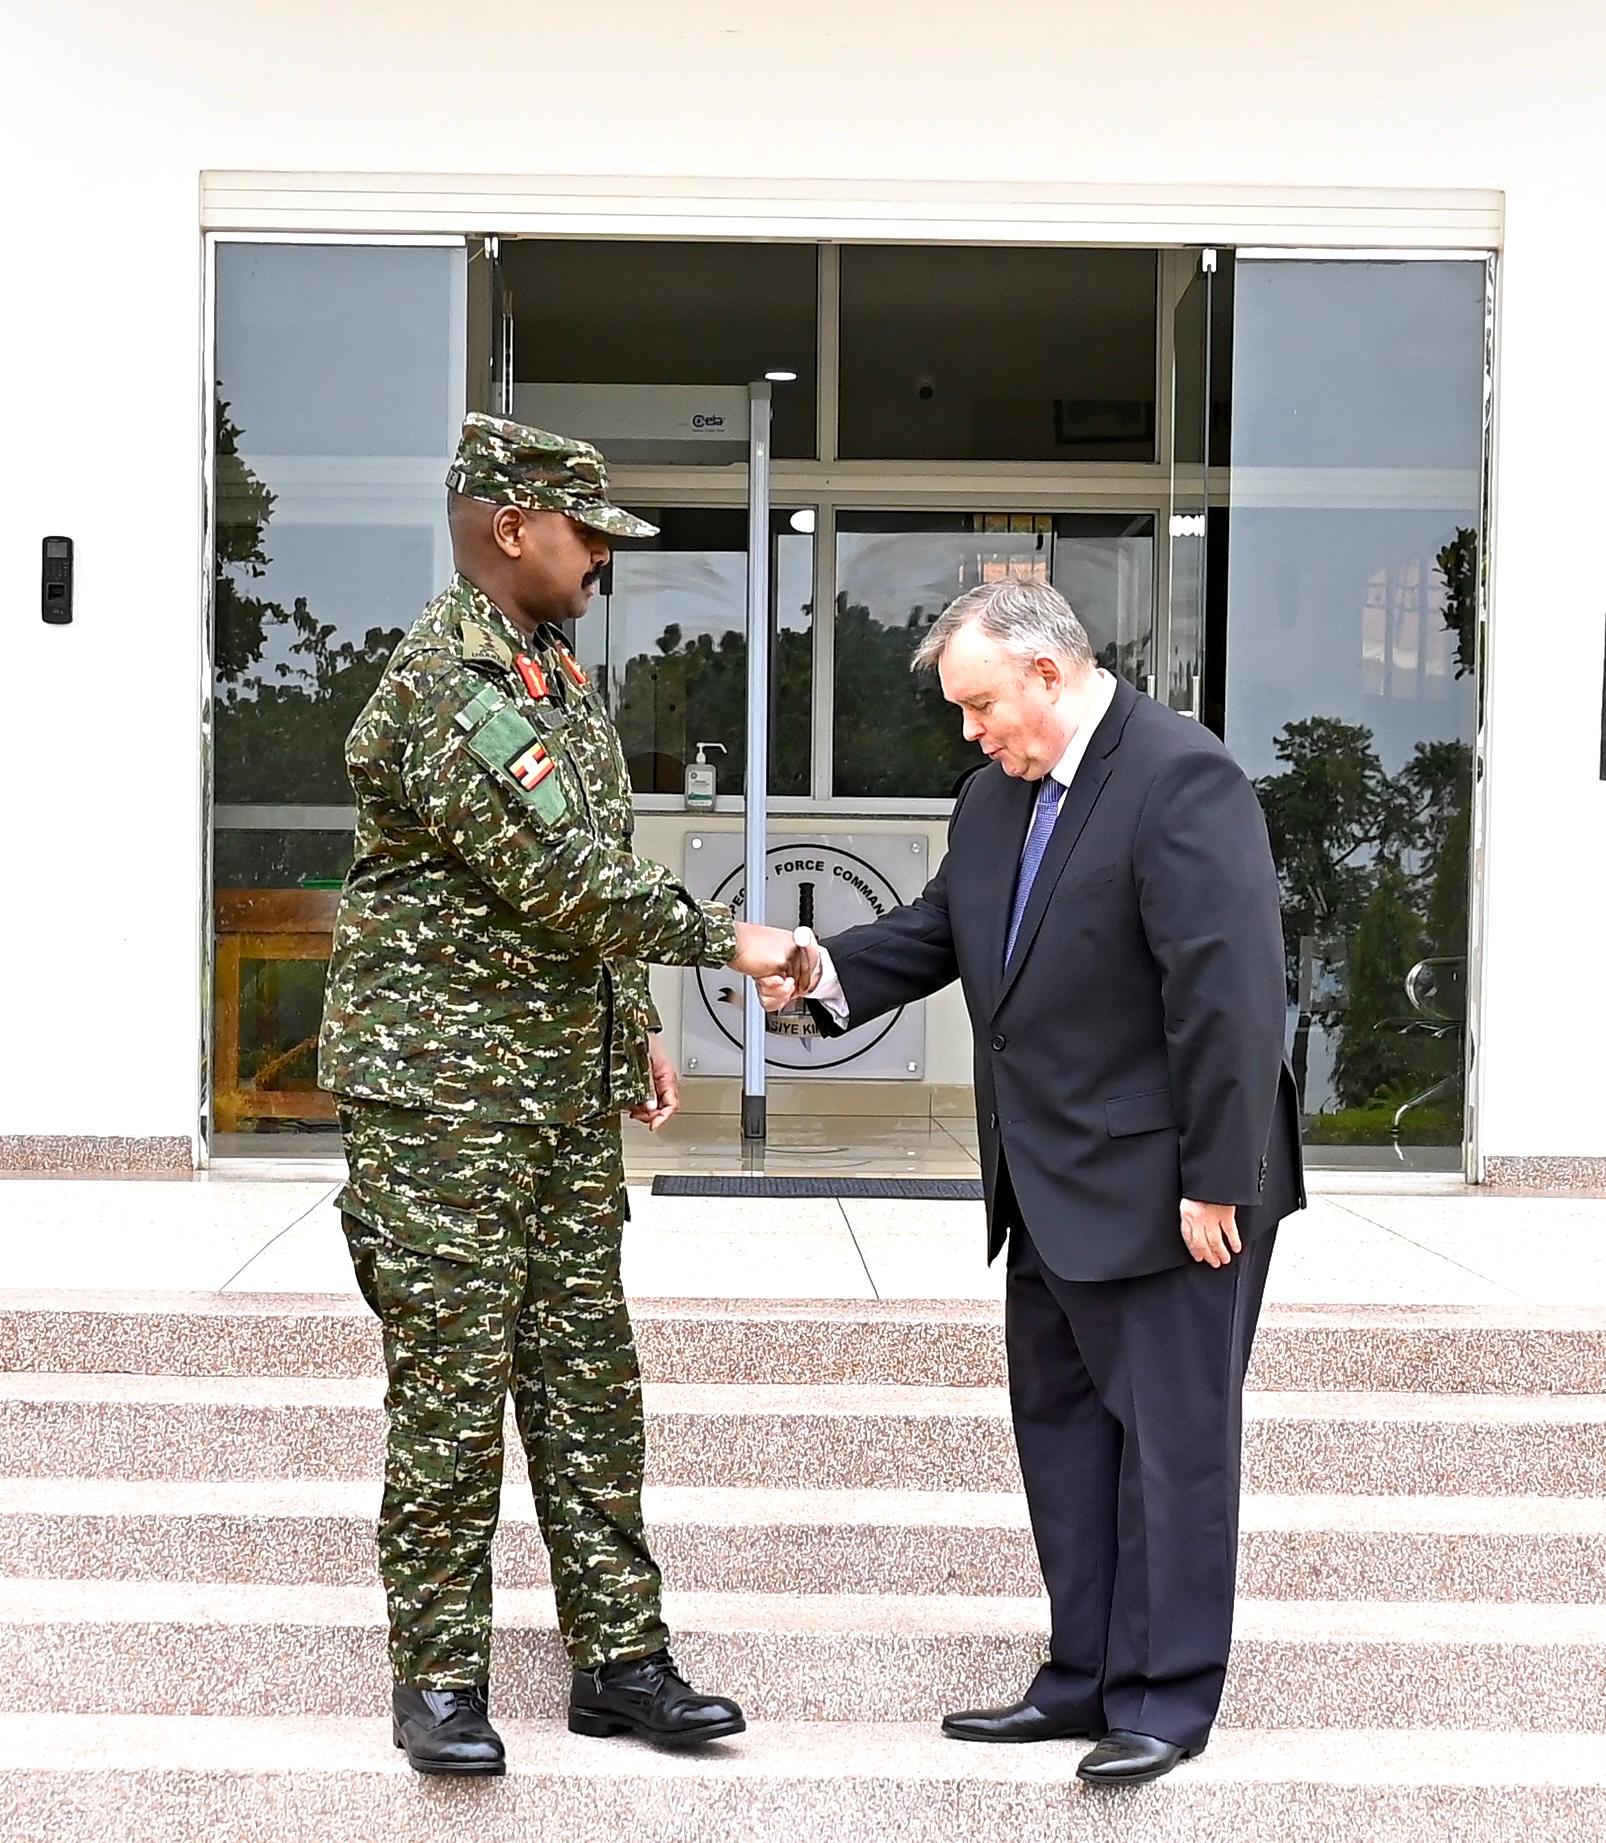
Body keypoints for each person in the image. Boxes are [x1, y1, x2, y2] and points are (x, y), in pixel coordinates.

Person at [318, 412, 805, 1777]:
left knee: (590, 1383)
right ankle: (438, 1678)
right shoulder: (441, 681)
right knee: (454, 1395)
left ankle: (620, 1657)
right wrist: (730, 940)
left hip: (552, 1099)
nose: (602, 557)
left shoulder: (550, 675)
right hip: (446, 1110)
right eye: (587, 531)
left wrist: (634, 1020)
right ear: (510, 525)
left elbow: (577, 883)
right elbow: (564, 878)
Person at [761, 578, 1304, 1788]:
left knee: (1173, 1448)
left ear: (1049, 674)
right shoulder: (995, 799)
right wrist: (812, 970)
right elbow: (938, 933)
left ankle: (1164, 1700)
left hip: (1176, 1188)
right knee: (1063, 1439)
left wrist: (1218, 1180)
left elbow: (1228, 996)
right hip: (1047, 1182)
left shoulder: (1180, 777)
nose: (971, 732)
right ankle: (1079, 1678)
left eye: (981, 705)